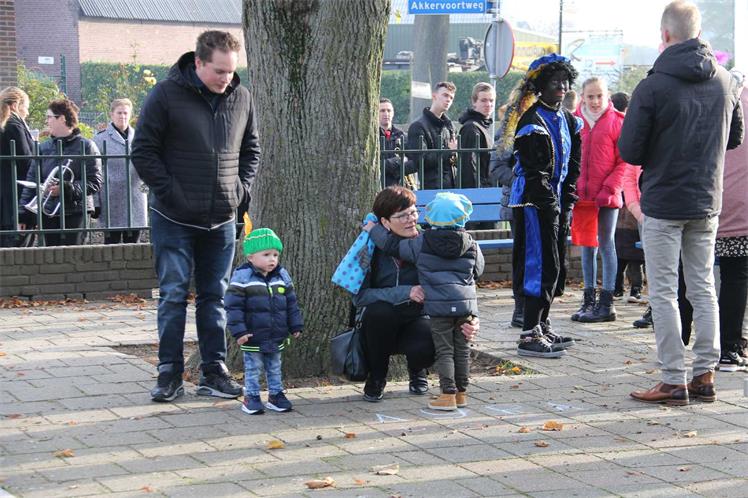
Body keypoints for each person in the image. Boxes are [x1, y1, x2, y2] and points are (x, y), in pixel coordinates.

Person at [621, 1, 744, 405]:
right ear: (699, 32)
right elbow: (734, 138)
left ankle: (674, 379)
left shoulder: (653, 85)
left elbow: (630, 149)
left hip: (663, 200)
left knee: (664, 293)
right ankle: (705, 374)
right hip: (706, 198)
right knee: (703, 287)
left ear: (665, 34)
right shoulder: (726, 81)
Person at [132, 30, 260, 402]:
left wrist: (240, 190)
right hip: (173, 217)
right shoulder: (165, 95)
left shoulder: (241, 97)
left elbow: (251, 148)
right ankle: (169, 373)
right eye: (219, 71)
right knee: (173, 295)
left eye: (231, 71)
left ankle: (213, 371)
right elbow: (143, 151)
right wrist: (172, 193)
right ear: (199, 62)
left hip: (221, 217)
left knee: (215, 297)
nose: (226, 79)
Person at [353, 186, 479, 402]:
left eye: (413, 212)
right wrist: (406, 292)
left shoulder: (431, 243)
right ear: (385, 222)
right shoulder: (370, 249)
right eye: (402, 215)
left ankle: (418, 370)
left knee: (432, 335)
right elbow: (360, 297)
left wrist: (471, 319)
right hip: (382, 323)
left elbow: (462, 285)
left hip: (421, 316)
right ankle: (377, 378)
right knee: (378, 314)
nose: (411, 219)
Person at [502, 53, 581, 358]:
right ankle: (528, 333)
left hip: (556, 203)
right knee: (538, 264)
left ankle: (542, 323)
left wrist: (567, 201)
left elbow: (573, 167)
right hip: (534, 204)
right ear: (540, 86)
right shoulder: (531, 121)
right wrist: (550, 205)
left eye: (565, 81)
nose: (561, 86)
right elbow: (535, 173)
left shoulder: (569, 120)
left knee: (555, 264)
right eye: (554, 81)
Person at [225, 228, 303, 414]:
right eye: (266, 255)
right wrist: (239, 331)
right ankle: (251, 397)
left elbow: (291, 303)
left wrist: (295, 325)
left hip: (276, 334)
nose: (272, 259)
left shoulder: (282, 276)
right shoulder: (243, 277)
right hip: (253, 335)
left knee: (275, 366)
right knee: (253, 368)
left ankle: (276, 395)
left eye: (275, 255)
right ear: (251, 257)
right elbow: (233, 307)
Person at [571, 77, 629, 323]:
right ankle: (588, 299)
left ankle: (607, 302)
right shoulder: (574, 121)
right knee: (587, 246)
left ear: (607, 96)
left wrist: (610, 188)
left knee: (606, 243)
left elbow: (624, 161)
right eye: (590, 96)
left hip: (606, 195)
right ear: (582, 96)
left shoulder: (617, 122)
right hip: (582, 196)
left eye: (599, 96)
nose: (595, 101)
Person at [18, 99, 102, 246]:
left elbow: (95, 182)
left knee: (75, 255)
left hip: (76, 212)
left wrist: (66, 188)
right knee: (50, 256)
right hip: (48, 211)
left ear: (62, 118)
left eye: (49, 117)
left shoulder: (87, 146)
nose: (47, 121)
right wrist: (23, 215)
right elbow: (32, 182)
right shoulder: (43, 148)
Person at [715, 75, 748, 371]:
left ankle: (707, 345)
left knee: (698, 276)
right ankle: (730, 346)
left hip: (709, 198)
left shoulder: (721, 97)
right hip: (742, 205)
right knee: (736, 275)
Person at [93, 98, 148, 244]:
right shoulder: (100, 139)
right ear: (111, 114)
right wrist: (95, 202)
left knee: (134, 247)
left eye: (125, 113)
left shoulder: (140, 137)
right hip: (111, 199)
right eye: (119, 113)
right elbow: (93, 172)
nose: (122, 116)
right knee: (111, 247)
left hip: (135, 198)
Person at [490, 104, 525, 327]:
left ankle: (540, 308)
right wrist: (522, 182)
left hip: (544, 202)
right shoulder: (509, 128)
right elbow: (496, 167)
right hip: (517, 202)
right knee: (522, 256)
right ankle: (521, 306)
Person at [405, 81, 457, 189]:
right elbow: (420, 161)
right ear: (434, 96)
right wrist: (448, 151)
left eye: (451, 98)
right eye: (445, 95)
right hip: (431, 188)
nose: (448, 100)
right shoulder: (418, 126)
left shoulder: (450, 126)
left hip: (452, 185)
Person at [0, 87, 33, 247]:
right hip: (16, 197)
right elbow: (27, 161)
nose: (27, 112)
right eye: (25, 107)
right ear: (15, 105)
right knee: (20, 249)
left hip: (4, 200)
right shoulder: (14, 125)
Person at [458, 82, 495, 189]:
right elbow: (468, 166)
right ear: (474, 102)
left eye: (491, 100)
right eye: (483, 100)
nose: (488, 104)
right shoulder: (471, 128)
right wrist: (477, 191)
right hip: (478, 191)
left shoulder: (481, 126)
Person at [379, 98, 414, 189]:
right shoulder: (371, 137)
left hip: (400, 186)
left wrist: (398, 171)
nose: (386, 114)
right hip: (378, 186)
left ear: (393, 113)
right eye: (382, 111)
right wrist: (396, 162)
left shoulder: (403, 136)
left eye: (389, 110)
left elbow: (414, 162)